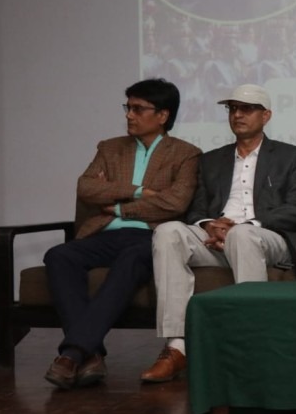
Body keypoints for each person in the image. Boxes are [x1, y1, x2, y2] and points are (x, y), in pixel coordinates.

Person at [142, 84, 296, 382]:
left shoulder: (290, 156)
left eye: (247, 109)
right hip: (216, 238)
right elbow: (195, 210)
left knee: (242, 235)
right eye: (233, 109)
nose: (237, 115)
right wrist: (210, 224)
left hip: (267, 237)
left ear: (266, 115)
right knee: (168, 232)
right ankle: (177, 346)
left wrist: (246, 225)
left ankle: (250, 345)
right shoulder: (212, 159)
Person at [43, 78, 201, 389]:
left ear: (163, 115)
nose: (129, 115)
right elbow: (87, 187)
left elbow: (175, 203)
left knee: (131, 258)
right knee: (59, 255)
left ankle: (73, 353)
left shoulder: (186, 154)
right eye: (127, 107)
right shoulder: (110, 148)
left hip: (150, 237)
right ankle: (91, 354)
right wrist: (139, 191)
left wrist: (118, 207)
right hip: (103, 234)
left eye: (138, 109)